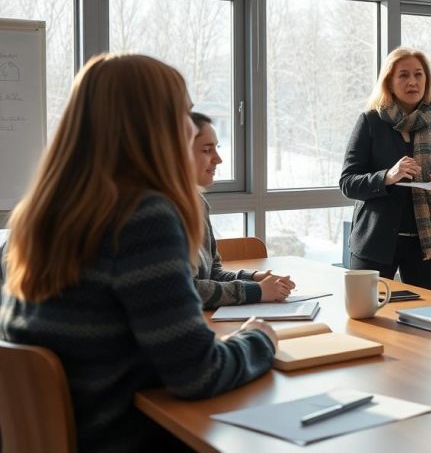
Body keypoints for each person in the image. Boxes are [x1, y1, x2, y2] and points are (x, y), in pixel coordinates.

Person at [0, 53, 277, 453]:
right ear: (154, 126)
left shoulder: (41, 215)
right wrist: (259, 338)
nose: (189, 124)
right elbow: (198, 374)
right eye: (183, 111)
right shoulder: (140, 217)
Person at [340, 47, 431, 291]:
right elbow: (348, 182)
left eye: (418, 74)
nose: (412, 82)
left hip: (428, 245)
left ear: (427, 80)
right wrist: (387, 177)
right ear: (389, 81)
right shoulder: (370, 122)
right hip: (375, 241)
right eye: (403, 75)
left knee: (423, 319)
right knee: (367, 316)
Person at [190, 112, 294, 308]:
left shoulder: (198, 203)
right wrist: (258, 291)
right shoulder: (164, 213)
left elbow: (213, 274)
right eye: (206, 150)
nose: (218, 160)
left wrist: (254, 278)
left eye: (217, 148)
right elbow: (188, 289)